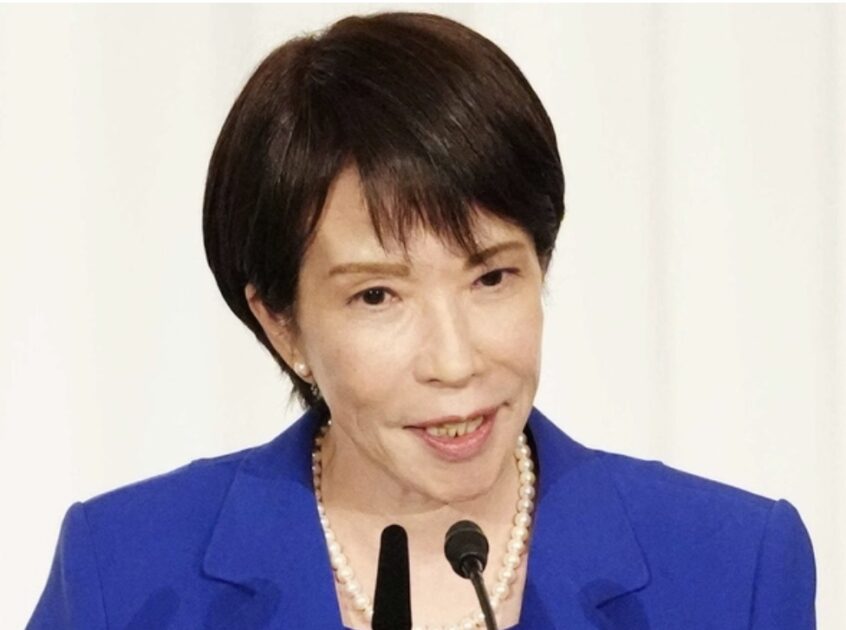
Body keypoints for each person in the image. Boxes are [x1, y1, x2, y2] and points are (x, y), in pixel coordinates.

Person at [28, 11, 816, 630]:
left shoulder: (733, 566)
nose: (454, 360)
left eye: (491, 277)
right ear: (282, 324)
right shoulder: (125, 571)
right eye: (378, 296)